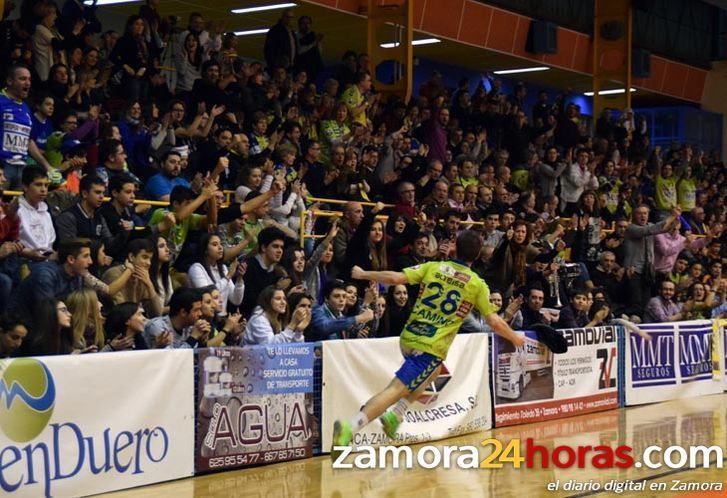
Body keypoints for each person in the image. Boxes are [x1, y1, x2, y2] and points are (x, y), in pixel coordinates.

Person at [331, 231, 526, 452]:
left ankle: (397, 413)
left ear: (455, 248)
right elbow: (494, 321)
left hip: (408, 338)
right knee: (395, 389)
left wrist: (364, 273)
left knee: (434, 373)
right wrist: (515, 337)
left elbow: (395, 279)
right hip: (429, 347)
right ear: (479, 254)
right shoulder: (476, 284)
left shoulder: (433, 267)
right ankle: (351, 427)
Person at [242, 286, 310, 345]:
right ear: (268, 302)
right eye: (278, 299)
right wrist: (292, 325)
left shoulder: (279, 319)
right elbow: (271, 347)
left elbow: (294, 350)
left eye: (284, 299)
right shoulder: (258, 319)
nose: (283, 302)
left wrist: (299, 331)